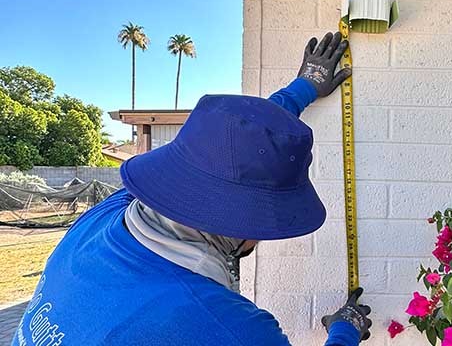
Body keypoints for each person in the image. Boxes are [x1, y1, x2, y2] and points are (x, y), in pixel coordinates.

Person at [12, 32, 372, 346]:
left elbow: (232, 145)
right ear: (245, 224)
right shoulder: (226, 327)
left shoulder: (105, 216)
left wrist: (302, 88)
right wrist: (344, 330)